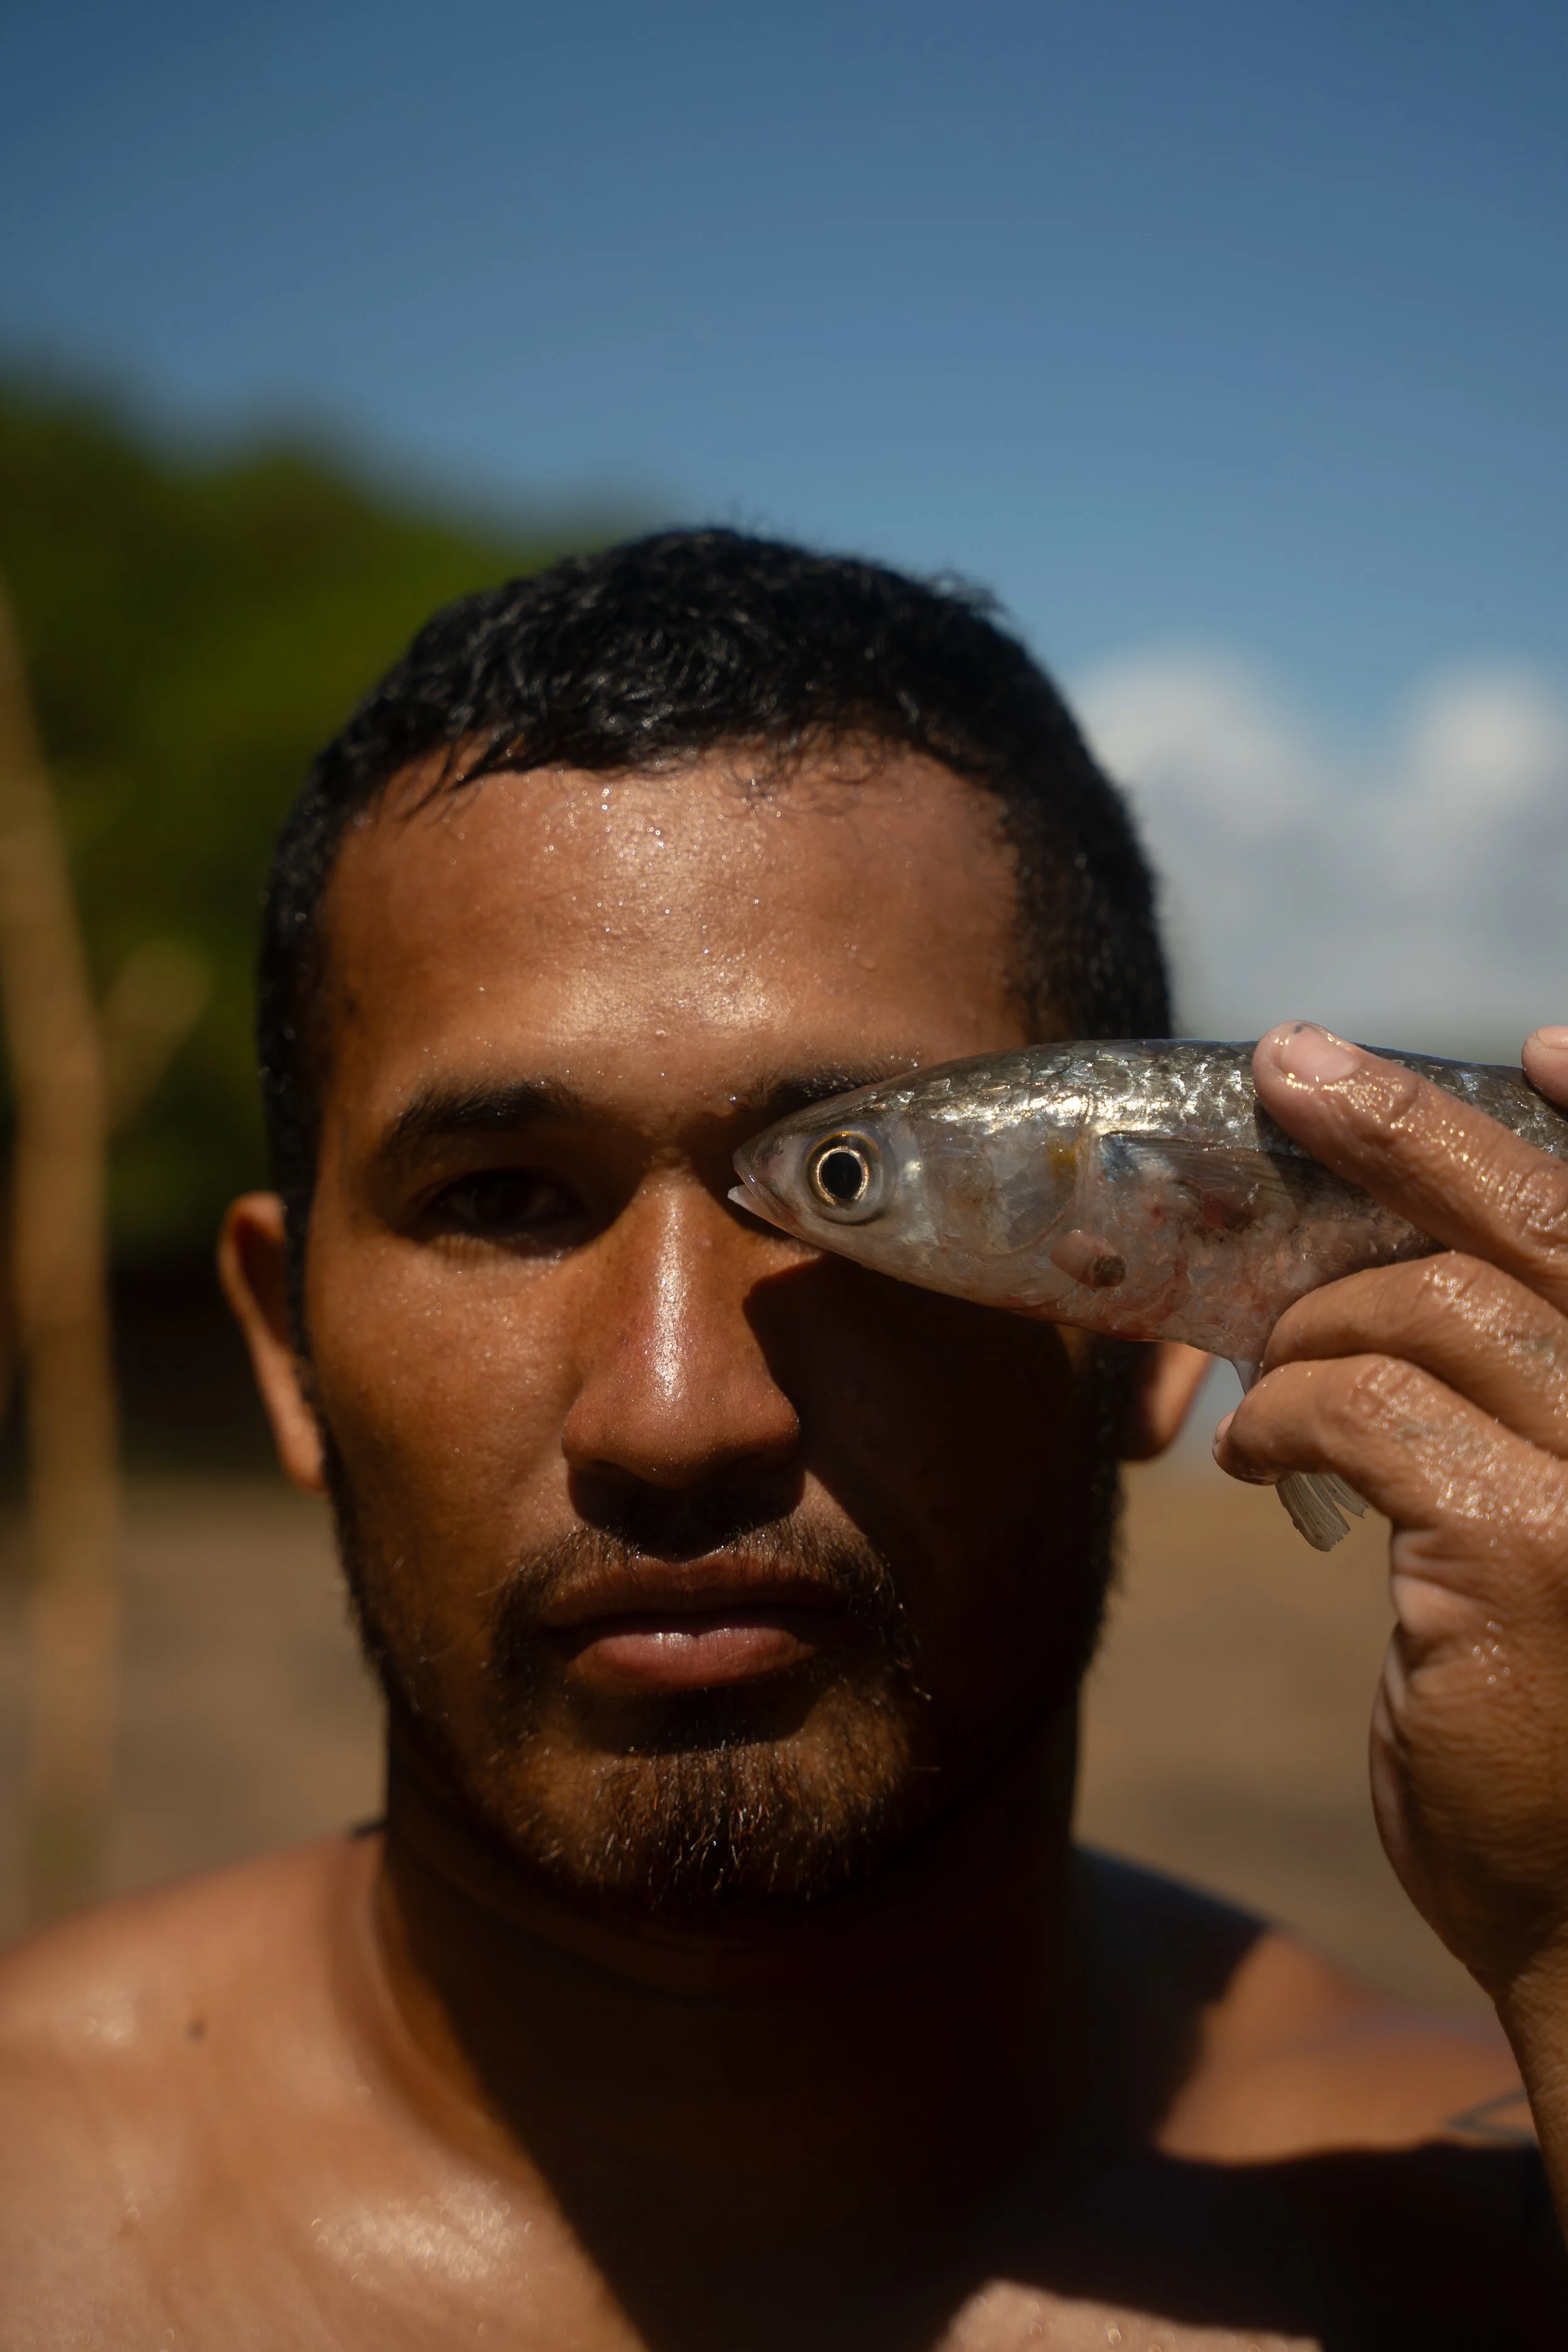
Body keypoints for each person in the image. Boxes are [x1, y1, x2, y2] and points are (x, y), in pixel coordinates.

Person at [1, 531, 1565, 2348]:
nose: (677, 1414)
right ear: (287, 1347)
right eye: (502, 1198)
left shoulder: (1486, 2234)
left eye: (851, 1209)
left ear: (1164, 1315)